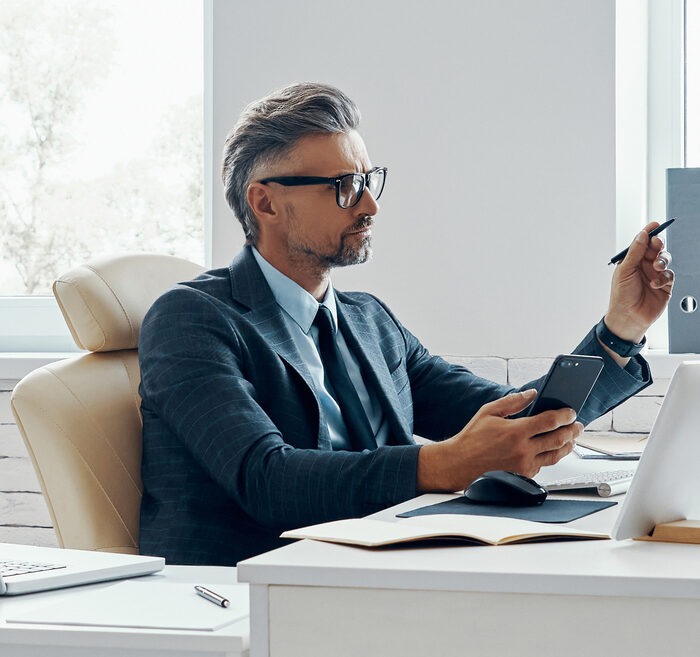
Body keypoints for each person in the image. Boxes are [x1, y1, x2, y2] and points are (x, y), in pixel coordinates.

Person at [138, 82, 674, 565]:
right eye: (344, 186)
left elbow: (517, 419)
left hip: (382, 564)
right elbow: (265, 478)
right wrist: (439, 465)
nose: (369, 203)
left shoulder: (369, 320)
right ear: (266, 202)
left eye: (369, 180)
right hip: (252, 585)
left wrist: (619, 329)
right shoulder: (192, 319)